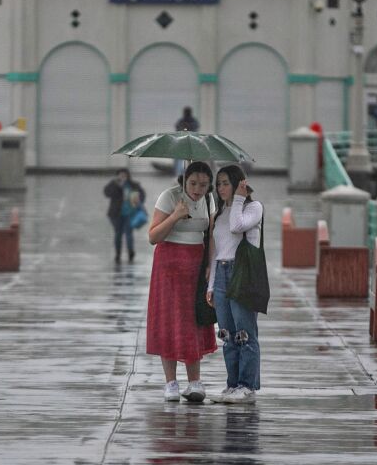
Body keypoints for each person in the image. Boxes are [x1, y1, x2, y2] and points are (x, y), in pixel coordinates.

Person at [147, 161, 217, 403]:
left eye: (204, 184)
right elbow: (153, 236)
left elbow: (211, 236)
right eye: (193, 183)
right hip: (169, 266)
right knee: (170, 320)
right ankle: (171, 383)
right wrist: (175, 216)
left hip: (197, 266)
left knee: (193, 320)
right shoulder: (169, 197)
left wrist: (211, 265)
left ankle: (195, 382)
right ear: (184, 181)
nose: (198, 189)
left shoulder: (209, 201)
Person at [206, 164, 264, 404]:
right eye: (218, 183)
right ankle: (232, 385)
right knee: (227, 334)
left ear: (239, 183)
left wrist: (240, 199)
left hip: (242, 274)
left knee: (244, 333)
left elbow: (237, 226)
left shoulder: (254, 207)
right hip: (221, 273)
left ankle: (247, 386)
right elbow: (215, 253)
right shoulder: (219, 215)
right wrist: (210, 285)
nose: (220, 188)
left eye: (225, 183)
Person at [103, 168, 145, 263]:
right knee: (118, 234)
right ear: (117, 176)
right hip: (116, 214)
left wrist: (138, 200)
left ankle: (131, 252)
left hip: (130, 214)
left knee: (129, 234)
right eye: (120, 175)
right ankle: (118, 254)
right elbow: (107, 193)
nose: (122, 177)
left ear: (128, 175)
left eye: (124, 175)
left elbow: (142, 195)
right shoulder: (114, 184)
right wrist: (117, 186)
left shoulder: (133, 185)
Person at [173, 107, 200, 178]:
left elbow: (196, 128)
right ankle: (179, 175)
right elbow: (177, 128)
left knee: (190, 161)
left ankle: (189, 173)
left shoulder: (193, 121)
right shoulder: (181, 121)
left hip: (191, 145)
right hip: (182, 144)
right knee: (179, 162)